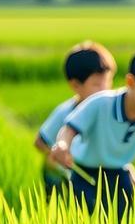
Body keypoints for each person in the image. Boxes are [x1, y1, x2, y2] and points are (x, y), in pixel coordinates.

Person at [47, 46, 135, 221]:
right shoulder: (101, 103)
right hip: (84, 172)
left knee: (124, 222)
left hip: (119, 174)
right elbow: (69, 129)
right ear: (131, 83)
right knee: (85, 221)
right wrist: (63, 145)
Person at [34, 41, 116, 196]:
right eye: (97, 84)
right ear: (76, 85)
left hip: (94, 169)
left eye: (108, 81)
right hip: (67, 171)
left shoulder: (108, 112)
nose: (105, 89)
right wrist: (58, 155)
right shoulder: (66, 112)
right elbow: (39, 142)